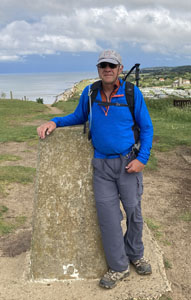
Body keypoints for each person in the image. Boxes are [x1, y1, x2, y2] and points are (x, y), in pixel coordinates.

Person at [37, 49, 153, 289]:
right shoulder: (90, 93)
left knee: (133, 212)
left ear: (120, 69)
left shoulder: (132, 93)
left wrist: (142, 158)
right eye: (103, 66)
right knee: (108, 219)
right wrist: (54, 121)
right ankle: (119, 266)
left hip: (128, 163)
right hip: (101, 166)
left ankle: (135, 253)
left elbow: (147, 128)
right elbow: (79, 116)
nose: (107, 69)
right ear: (98, 69)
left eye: (112, 65)